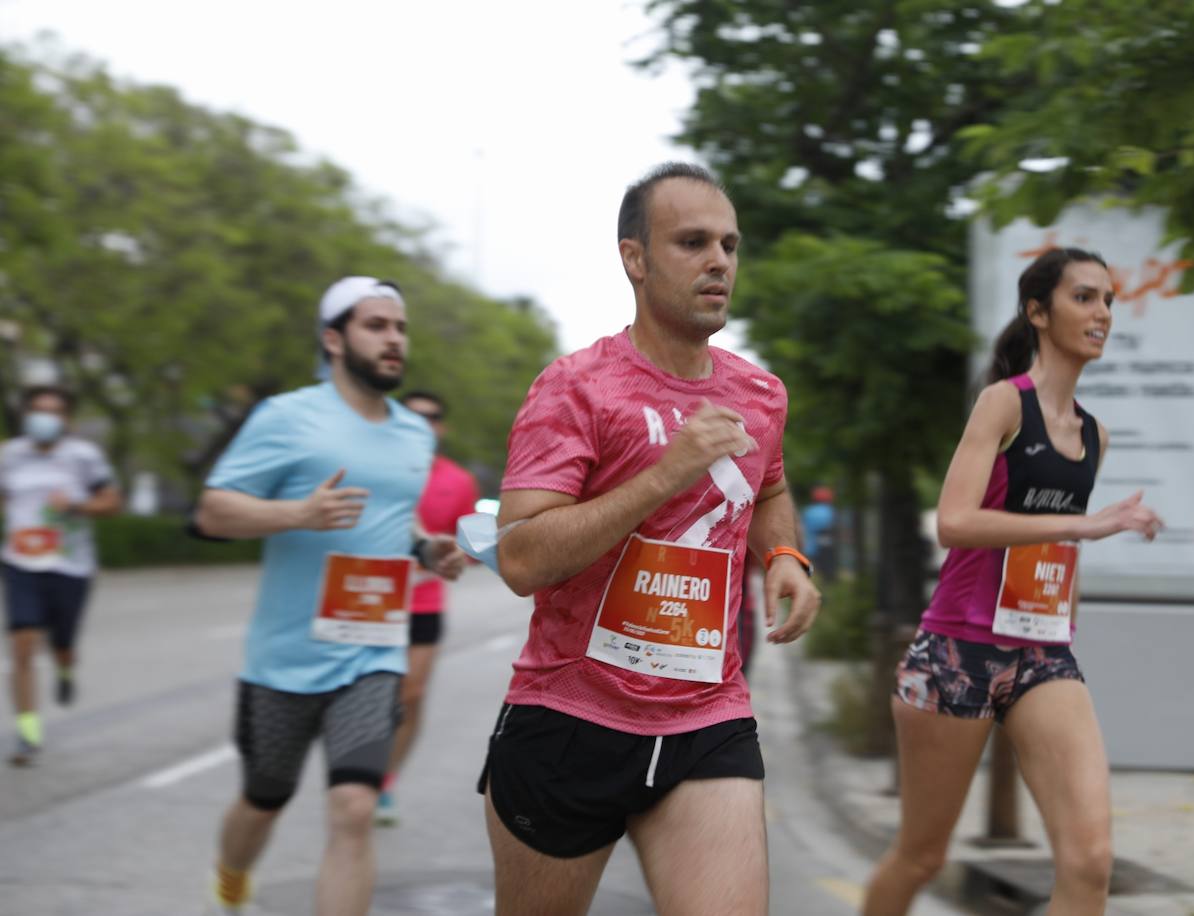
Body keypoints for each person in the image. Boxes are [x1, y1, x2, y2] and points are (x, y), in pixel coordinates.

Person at [480, 162, 822, 916]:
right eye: (693, 242)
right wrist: (666, 472)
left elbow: (767, 484)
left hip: (708, 717)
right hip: (569, 719)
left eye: (730, 245)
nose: (720, 262)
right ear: (634, 259)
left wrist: (787, 556)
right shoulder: (575, 387)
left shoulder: (760, 394)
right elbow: (520, 557)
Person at [862, 248, 1165, 916]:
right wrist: (1080, 529)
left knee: (1089, 864)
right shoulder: (1003, 405)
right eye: (1084, 297)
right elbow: (954, 522)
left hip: (1044, 655)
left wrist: (1065, 616)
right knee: (922, 856)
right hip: (956, 653)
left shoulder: (1095, 435)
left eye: (1109, 300)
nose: (1102, 314)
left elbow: (1063, 553)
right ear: (1038, 311)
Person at [192, 277, 466, 916]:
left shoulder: (412, 434)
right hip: (283, 659)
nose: (394, 339)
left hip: (372, 651)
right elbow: (211, 512)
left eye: (399, 327)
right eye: (376, 326)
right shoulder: (285, 417)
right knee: (265, 796)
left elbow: (396, 520)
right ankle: (231, 879)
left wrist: (426, 549)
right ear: (334, 339)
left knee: (354, 807)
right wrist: (297, 514)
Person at [1, 385, 122, 766]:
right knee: (22, 644)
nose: (44, 417)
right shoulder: (9, 455)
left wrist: (76, 505)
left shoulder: (84, 456)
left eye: (53, 411)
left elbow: (112, 502)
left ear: (66, 419)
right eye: (37, 409)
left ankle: (66, 668)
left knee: (62, 645)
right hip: (20, 561)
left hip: (70, 565)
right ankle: (28, 732)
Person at [374, 389, 479, 826]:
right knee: (362, 694)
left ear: (441, 427)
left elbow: (471, 544)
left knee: (410, 695)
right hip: (367, 600)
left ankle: (385, 780)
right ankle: (355, 773)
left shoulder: (457, 480)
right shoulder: (371, 469)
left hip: (423, 601)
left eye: (431, 417)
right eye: (411, 415)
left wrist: (456, 553)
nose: (422, 424)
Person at [800, 485, 837, 579]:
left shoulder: (808, 511)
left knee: (811, 573)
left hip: (810, 547)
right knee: (827, 573)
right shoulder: (831, 511)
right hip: (828, 547)